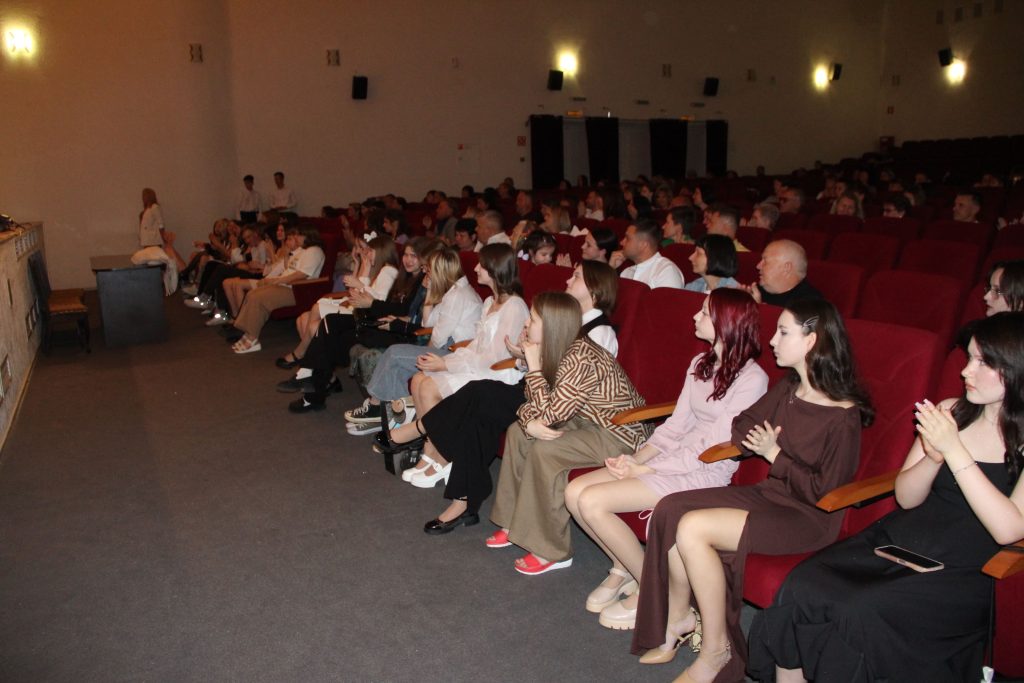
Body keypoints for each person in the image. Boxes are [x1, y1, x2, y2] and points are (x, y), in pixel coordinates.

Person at [748, 312, 1024, 682]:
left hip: (969, 564)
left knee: (859, 610)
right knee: (804, 583)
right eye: (969, 358)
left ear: (1014, 368)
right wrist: (933, 458)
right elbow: (907, 497)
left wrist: (954, 451)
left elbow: (1009, 529)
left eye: (982, 362)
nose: (965, 371)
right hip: (905, 536)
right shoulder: (950, 411)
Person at [632, 299, 873, 683]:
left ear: (811, 341)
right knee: (672, 507)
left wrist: (774, 454)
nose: (772, 340)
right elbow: (744, 422)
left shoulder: (844, 416)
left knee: (692, 528)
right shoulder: (790, 389)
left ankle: (716, 651)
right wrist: (758, 441)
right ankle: (679, 618)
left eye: (783, 332)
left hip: (808, 517)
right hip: (771, 495)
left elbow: (824, 493)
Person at [565, 288, 767, 630]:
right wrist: (634, 457)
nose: (695, 317)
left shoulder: (753, 379)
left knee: (592, 501)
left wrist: (647, 468)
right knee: (573, 493)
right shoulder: (700, 363)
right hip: (669, 460)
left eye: (704, 312)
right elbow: (676, 425)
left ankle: (652, 587)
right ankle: (625, 568)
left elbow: (712, 444)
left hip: (704, 470)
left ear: (726, 322)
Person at [386, 261, 619, 515]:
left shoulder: (600, 333)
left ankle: (419, 431)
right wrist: (523, 356)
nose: (568, 280)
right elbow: (550, 363)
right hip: (535, 389)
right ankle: (464, 500)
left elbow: (574, 387)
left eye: (576, 276)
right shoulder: (567, 316)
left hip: (558, 407)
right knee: (477, 409)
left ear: (594, 289)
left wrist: (532, 363)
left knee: (478, 393)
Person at [481, 291, 648, 575]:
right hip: (584, 420)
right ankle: (512, 522)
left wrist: (534, 369)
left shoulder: (582, 357)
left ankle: (552, 550)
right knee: (518, 432)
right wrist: (527, 421)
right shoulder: (556, 347)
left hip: (618, 431)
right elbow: (533, 403)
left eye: (533, 319)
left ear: (552, 326)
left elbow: (550, 414)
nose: (526, 323)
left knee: (546, 450)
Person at [375, 243, 529, 474]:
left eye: (481, 265)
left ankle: (444, 457)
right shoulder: (490, 302)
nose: (475, 268)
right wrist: (450, 362)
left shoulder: (514, 306)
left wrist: (447, 363)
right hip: (478, 365)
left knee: (428, 386)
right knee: (418, 380)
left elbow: (495, 357)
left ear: (495, 269)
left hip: (498, 374)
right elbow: (476, 344)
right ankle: (430, 452)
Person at [344, 248, 483, 434]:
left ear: (440, 271)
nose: (426, 274)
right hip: (448, 348)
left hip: (455, 353)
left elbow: (437, 339)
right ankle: (391, 415)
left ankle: (375, 406)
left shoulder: (458, 295)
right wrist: (429, 291)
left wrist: (421, 353)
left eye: (428, 270)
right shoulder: (453, 291)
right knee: (398, 360)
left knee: (395, 353)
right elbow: (428, 322)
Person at [284, 238, 430, 412]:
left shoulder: (421, 280)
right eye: (406, 255)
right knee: (330, 322)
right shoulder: (404, 277)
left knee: (335, 336)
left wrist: (371, 304)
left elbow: (403, 310)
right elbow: (391, 305)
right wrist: (370, 302)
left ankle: (311, 386)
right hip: (379, 319)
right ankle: (310, 379)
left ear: (423, 259)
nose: (408, 260)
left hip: (392, 328)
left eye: (414, 256)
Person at [229, 226, 324, 354]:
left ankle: (252, 338)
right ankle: (248, 333)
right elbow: (288, 268)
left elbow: (301, 275)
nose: (296, 238)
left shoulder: (315, 251)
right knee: (252, 294)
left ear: (308, 237)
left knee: (258, 298)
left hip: (297, 290)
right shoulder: (303, 251)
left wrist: (277, 281)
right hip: (285, 285)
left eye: (299, 235)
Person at [743, 240, 822, 307]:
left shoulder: (810, 304)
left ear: (786, 268)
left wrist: (758, 308)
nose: (758, 266)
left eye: (765, 261)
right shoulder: (757, 291)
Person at [616, 219, 686, 289]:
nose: (622, 242)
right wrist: (612, 269)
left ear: (643, 245)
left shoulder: (666, 272)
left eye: (627, 238)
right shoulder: (626, 272)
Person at [138, 187, 186, 272]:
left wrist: (163, 237)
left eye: (144, 196)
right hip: (147, 240)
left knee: (155, 262)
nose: (143, 198)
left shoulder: (154, 207)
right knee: (149, 262)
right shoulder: (147, 209)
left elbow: (161, 224)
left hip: (153, 240)